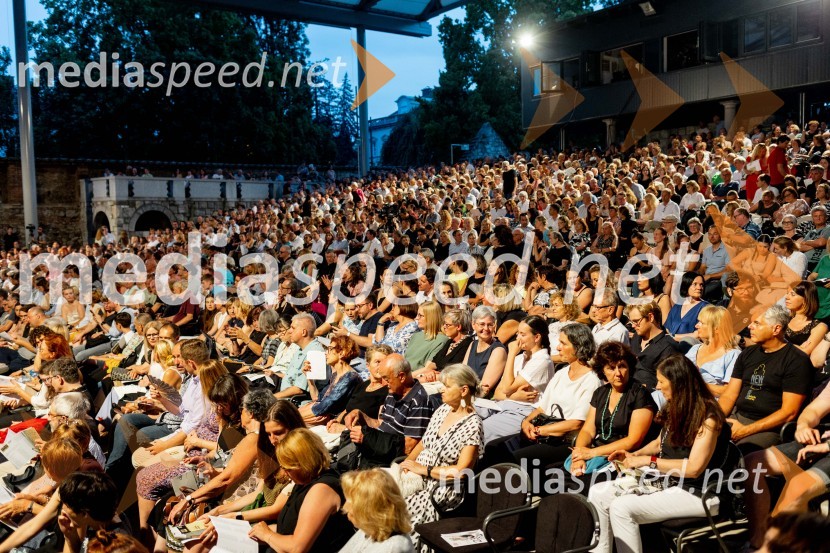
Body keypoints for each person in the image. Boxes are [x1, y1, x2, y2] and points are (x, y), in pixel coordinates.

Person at [587, 354, 731, 553]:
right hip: (670, 481)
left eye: (662, 381)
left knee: (622, 507)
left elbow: (694, 469)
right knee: (598, 493)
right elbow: (658, 443)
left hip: (700, 492)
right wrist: (633, 456)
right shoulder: (675, 406)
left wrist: (649, 461)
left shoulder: (709, 417)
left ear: (678, 383)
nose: (657, 386)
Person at [401, 364, 483, 553]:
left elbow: (462, 472)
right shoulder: (442, 410)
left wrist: (424, 470)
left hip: (443, 486)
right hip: (419, 474)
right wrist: (406, 465)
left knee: (402, 510)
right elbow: (423, 443)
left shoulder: (472, 425)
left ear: (463, 390)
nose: (441, 390)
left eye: (446, 386)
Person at [744, 382, 830, 550]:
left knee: (798, 486)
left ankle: (774, 547)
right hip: (821, 438)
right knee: (753, 464)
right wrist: (803, 426)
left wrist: (827, 446)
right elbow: (814, 409)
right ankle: (759, 540)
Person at [718, 305, 814, 453]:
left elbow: (789, 412)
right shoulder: (747, 354)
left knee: (738, 453)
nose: (749, 327)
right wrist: (715, 420)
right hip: (736, 417)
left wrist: (745, 431)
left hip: (768, 427)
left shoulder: (796, 361)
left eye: (757, 323)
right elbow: (730, 395)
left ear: (776, 329)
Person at [246, 428, 355, 553]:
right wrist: (254, 532)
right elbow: (286, 529)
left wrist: (267, 535)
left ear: (304, 463)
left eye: (288, 468)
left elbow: (297, 548)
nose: (285, 473)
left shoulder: (322, 490)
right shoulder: (303, 483)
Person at [565, 342, 656, 476]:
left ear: (629, 367)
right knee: (559, 479)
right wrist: (579, 455)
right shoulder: (600, 393)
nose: (618, 373)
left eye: (622, 366)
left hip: (621, 458)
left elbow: (633, 441)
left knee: (583, 485)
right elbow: (588, 430)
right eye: (611, 368)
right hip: (595, 453)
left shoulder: (639, 394)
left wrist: (591, 453)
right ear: (603, 370)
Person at [477, 316, 560, 447]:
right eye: (517, 333)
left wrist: (511, 354)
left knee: (479, 429)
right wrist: (514, 395)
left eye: (522, 334)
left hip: (523, 411)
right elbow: (498, 393)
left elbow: (507, 388)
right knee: (460, 412)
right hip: (501, 404)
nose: (517, 338)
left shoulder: (542, 360)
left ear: (536, 337)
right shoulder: (520, 357)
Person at [344, 354, 433, 466]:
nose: (383, 383)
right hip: (376, 452)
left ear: (401, 377)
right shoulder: (393, 393)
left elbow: (409, 447)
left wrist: (368, 439)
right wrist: (361, 415)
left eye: (386, 379)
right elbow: (381, 424)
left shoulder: (418, 401)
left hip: (388, 461)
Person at [339, 469, 414, 553]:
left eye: (350, 508)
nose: (348, 513)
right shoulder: (371, 530)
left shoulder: (392, 548)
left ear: (368, 512)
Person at [299, 334, 361, 425]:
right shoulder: (336, 375)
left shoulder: (350, 377)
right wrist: (310, 378)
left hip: (335, 422)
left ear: (342, 353)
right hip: (323, 417)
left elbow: (323, 407)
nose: (326, 353)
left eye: (330, 349)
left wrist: (293, 415)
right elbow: (317, 399)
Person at [686, 306, 740, 398]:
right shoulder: (695, 349)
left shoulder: (733, 355)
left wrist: (696, 383)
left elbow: (728, 391)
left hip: (709, 404)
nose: (696, 325)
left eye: (702, 323)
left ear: (717, 328)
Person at [627, 302, 680, 390]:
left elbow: (669, 383)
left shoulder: (668, 347)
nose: (633, 325)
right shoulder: (636, 337)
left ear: (651, 317)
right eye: (631, 322)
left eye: (636, 321)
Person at [413, 308, 472, 382]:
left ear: (458, 327)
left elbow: (454, 370)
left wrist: (435, 373)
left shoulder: (467, 345)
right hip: (435, 378)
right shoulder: (450, 342)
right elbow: (433, 364)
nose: (444, 327)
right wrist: (430, 371)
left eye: (447, 325)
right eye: (444, 324)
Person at [462, 306, 507, 396]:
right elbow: (462, 373)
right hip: (465, 392)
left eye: (490, 324)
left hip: (480, 398)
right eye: (482, 324)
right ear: (473, 325)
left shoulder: (498, 350)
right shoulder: (473, 344)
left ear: (495, 326)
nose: (486, 328)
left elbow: (484, 390)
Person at [784, 281, 828, 356]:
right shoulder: (783, 318)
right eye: (787, 293)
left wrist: (777, 342)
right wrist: (797, 347)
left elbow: (804, 353)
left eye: (792, 294)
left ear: (805, 299)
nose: (786, 297)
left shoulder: (819, 327)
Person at [404, 301, 449, 372]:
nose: (416, 318)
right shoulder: (416, 336)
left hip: (416, 378)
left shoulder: (441, 340)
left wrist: (408, 377)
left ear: (431, 318)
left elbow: (428, 368)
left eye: (420, 315)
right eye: (417, 315)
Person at [664, 272, 708, 342]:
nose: (699, 288)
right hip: (670, 346)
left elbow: (697, 335)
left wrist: (672, 337)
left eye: (701, 285)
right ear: (686, 285)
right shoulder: (677, 306)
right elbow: (667, 329)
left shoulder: (706, 307)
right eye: (695, 284)